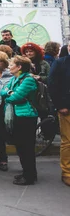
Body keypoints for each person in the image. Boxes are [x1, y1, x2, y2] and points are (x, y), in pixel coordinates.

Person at [1, 55, 39, 185]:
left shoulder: (28, 80)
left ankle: (29, 176)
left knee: (26, 147)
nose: (9, 67)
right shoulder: (14, 79)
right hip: (18, 116)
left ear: (19, 67)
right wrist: (10, 93)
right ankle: (27, 172)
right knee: (21, 147)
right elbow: (2, 91)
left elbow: (15, 97)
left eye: (11, 65)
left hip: (26, 117)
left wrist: (9, 93)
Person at [48, 44, 70, 187]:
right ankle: (67, 172)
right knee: (68, 141)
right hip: (67, 108)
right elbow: (52, 84)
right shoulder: (60, 63)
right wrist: (60, 105)